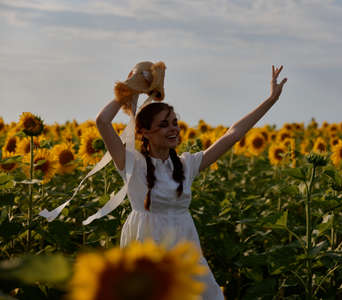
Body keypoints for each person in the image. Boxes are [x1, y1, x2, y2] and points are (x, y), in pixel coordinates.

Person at [43, 64, 287, 299]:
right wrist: (130, 89)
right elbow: (102, 122)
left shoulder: (186, 164)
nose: (173, 130)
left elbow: (234, 134)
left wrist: (271, 100)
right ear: (145, 132)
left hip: (185, 249)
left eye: (174, 123)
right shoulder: (131, 163)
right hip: (145, 249)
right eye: (163, 125)